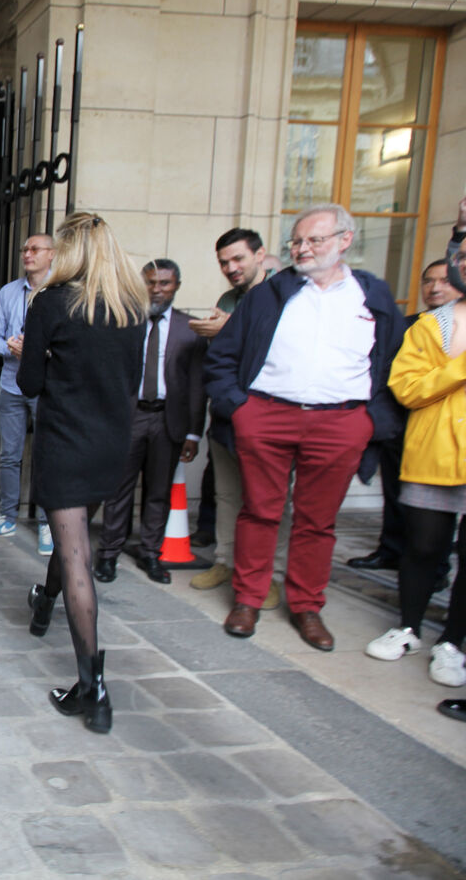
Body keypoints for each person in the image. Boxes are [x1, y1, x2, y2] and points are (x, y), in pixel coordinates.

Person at [205, 204, 406, 650]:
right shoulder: (269, 294)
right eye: (296, 241)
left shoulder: (371, 295)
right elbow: (222, 357)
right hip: (267, 414)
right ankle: (248, 599)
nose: (302, 248)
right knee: (259, 511)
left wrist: (371, 421)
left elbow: (394, 362)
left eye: (314, 240)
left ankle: (307, 606)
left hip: (341, 421)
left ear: (345, 240)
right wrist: (239, 408)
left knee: (317, 521)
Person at [20, 212, 146, 735]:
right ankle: (44, 602)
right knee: (72, 542)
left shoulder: (52, 303)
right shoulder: (131, 308)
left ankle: (92, 690)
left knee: (75, 557)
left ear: (69, 251)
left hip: (66, 443)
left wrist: (45, 354)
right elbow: (131, 381)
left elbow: (29, 383)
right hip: (110, 446)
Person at [366, 248, 466, 685]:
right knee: (423, 546)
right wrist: (460, 368)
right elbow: (408, 389)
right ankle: (408, 629)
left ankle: (453, 643)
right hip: (432, 453)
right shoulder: (431, 325)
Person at [347, 256, 464, 576]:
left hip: (445, 431)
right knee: (396, 496)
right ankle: (390, 550)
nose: (434, 287)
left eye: (444, 280)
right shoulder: (409, 324)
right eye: (428, 280)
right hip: (401, 422)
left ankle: (436, 570)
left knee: (436, 518)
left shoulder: (453, 326)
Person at [93, 259, 206, 585]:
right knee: (118, 490)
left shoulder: (190, 328)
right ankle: (109, 554)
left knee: (159, 491)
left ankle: (151, 553)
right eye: (151, 282)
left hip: (168, 420)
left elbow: (198, 384)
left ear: (176, 286)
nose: (157, 289)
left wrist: (194, 433)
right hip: (129, 417)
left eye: (164, 283)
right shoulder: (124, 322)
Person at [188, 228, 283, 608]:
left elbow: (276, 347)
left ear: (260, 255)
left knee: (268, 500)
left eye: (238, 259)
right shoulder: (229, 298)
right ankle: (225, 562)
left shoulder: (284, 294)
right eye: (224, 262)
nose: (231, 268)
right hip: (227, 411)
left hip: (269, 413)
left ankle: (269, 575)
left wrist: (228, 329)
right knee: (227, 494)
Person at [0, 235, 54, 556]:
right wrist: (9, 346)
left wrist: (38, 352)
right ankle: (7, 516)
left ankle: (48, 523)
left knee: (47, 454)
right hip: (11, 384)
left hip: (47, 388)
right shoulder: (8, 292)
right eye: (24, 249)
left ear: (52, 254)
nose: (27, 254)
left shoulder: (60, 292)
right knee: (9, 454)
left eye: (35, 249)